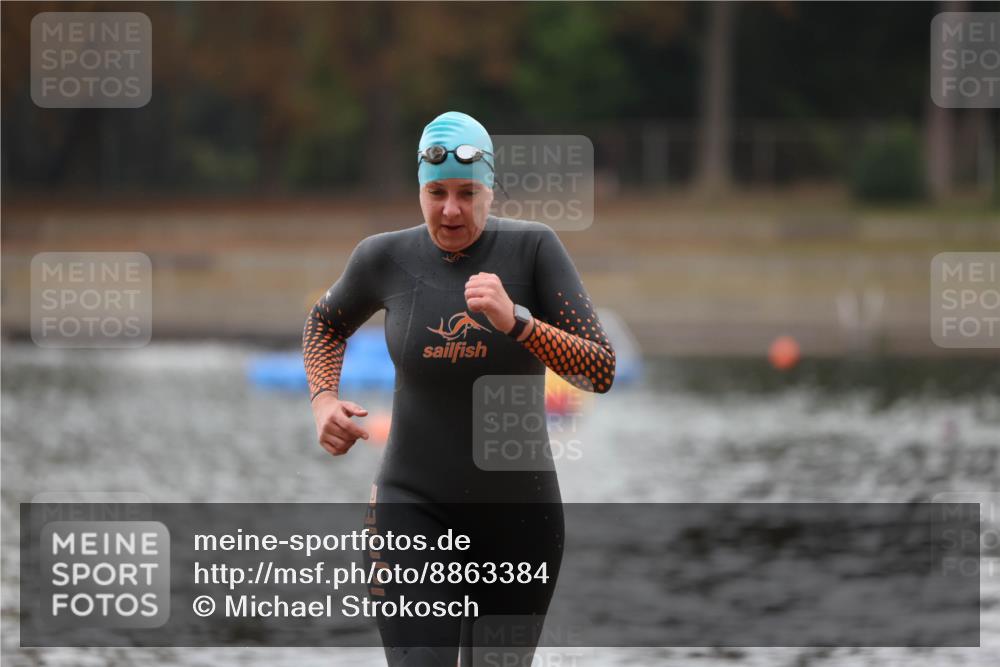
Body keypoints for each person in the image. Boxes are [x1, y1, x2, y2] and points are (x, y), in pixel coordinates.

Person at [302, 111, 615, 666]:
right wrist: (323, 398)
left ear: (491, 189)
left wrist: (518, 322)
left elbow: (599, 370)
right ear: (419, 189)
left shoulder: (534, 251)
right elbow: (324, 324)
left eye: (467, 193)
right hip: (411, 506)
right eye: (436, 192)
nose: (450, 209)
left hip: (520, 519)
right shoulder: (383, 257)